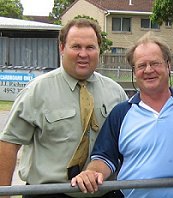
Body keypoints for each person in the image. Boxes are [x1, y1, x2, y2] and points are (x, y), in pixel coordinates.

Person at [0, 18, 128, 198]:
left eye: (90, 47)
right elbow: (9, 143)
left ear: (100, 49)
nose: (83, 54)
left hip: (104, 193)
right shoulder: (37, 91)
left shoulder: (116, 93)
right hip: (50, 193)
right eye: (76, 46)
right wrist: (4, 194)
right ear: (62, 48)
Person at [71, 32, 173, 198]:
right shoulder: (121, 113)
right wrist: (91, 172)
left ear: (168, 65)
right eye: (141, 66)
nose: (148, 70)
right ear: (134, 71)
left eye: (155, 63)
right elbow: (104, 158)